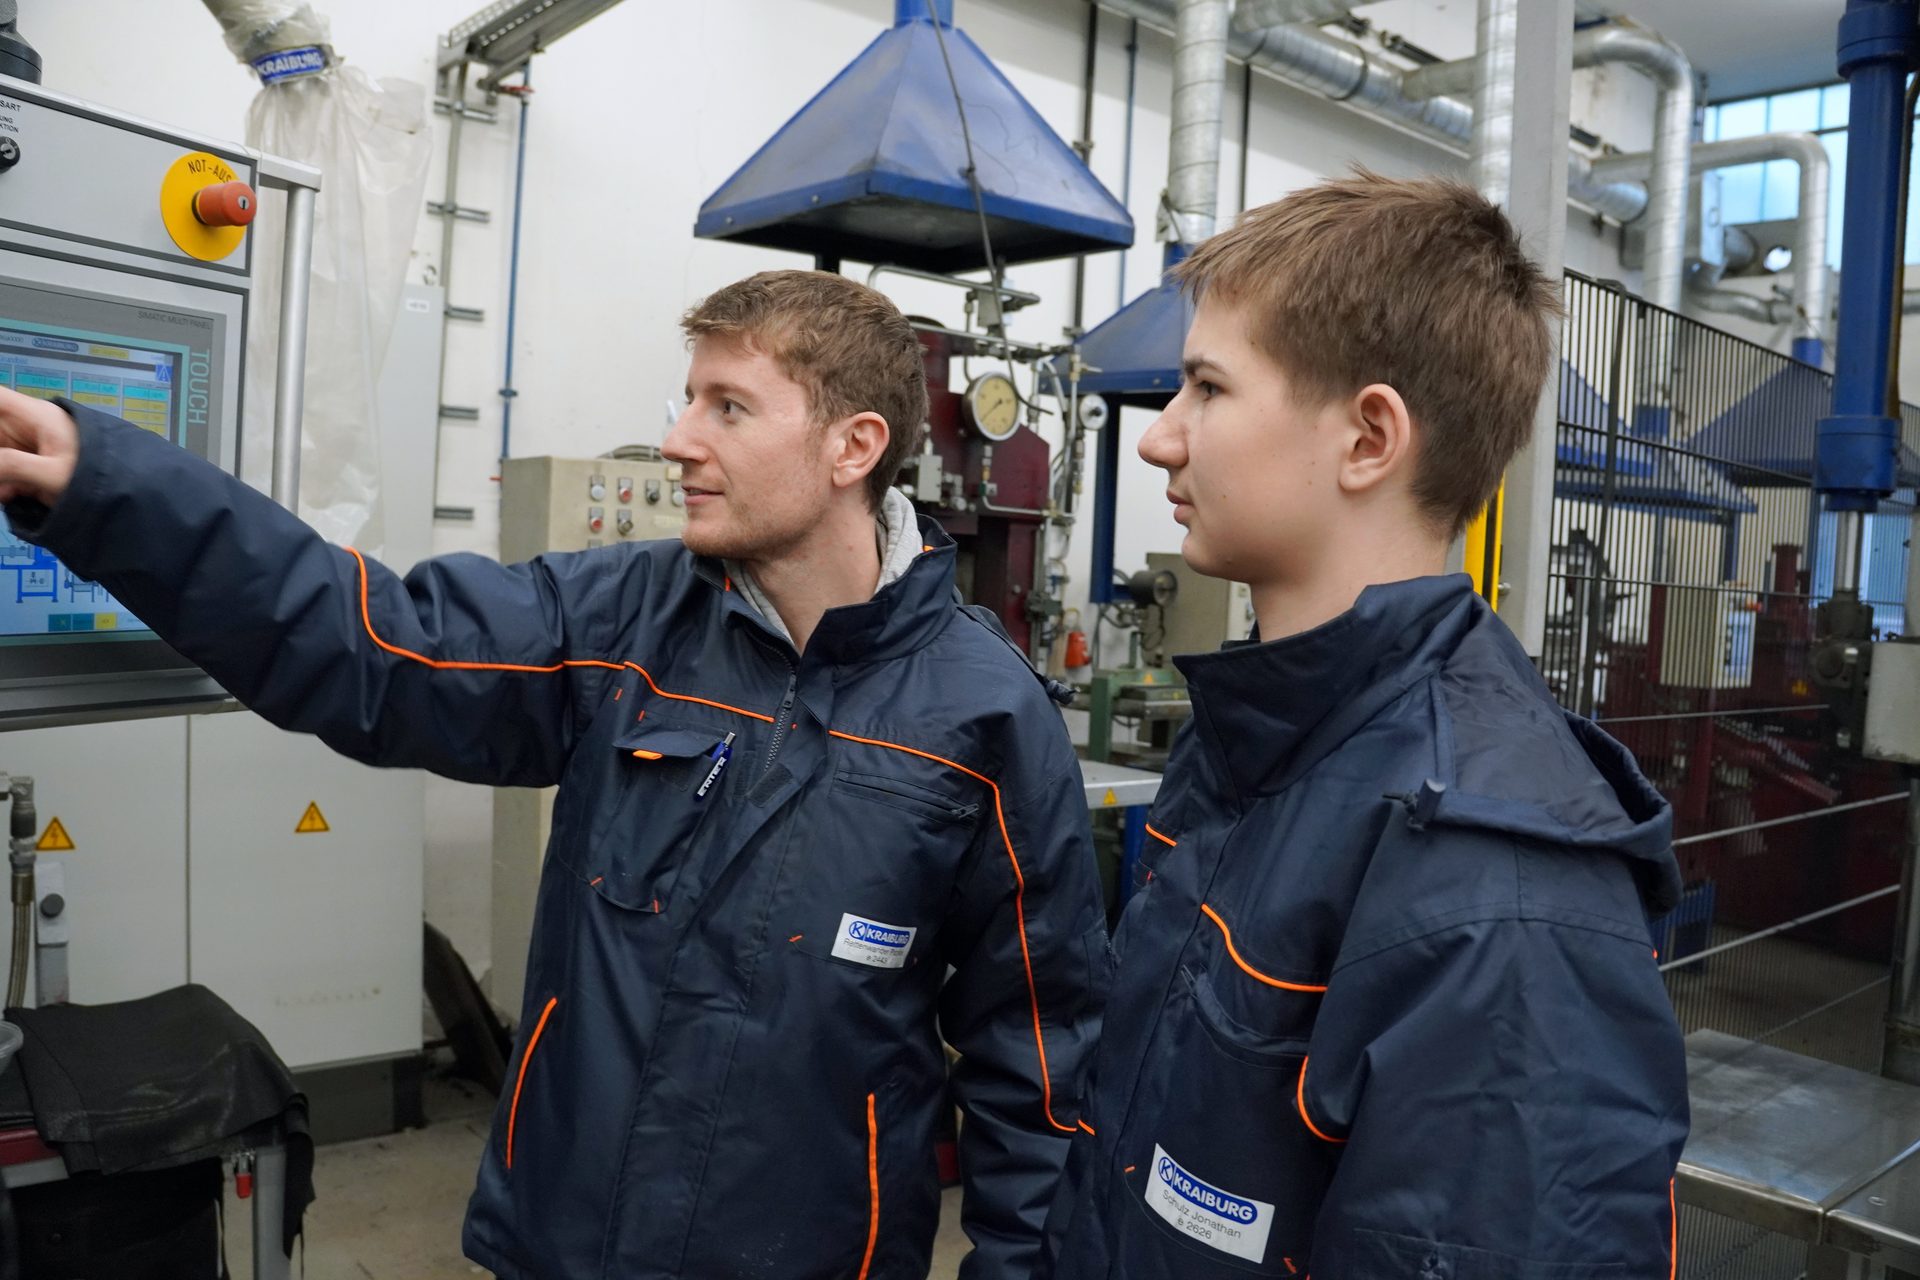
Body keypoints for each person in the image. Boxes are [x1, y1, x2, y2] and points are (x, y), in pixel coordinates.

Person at [0, 270, 1108, 1280]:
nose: (677, 439)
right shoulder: (621, 618)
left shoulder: (984, 714)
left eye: (726, 405)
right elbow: (372, 644)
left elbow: (1042, 1065)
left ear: (852, 446)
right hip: (573, 1242)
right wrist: (111, 490)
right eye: (686, 397)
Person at [1039, 172, 1689, 1279]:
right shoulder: (1254, 745)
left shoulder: (1496, 877)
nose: (1161, 441)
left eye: (1206, 388)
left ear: (1368, 438)